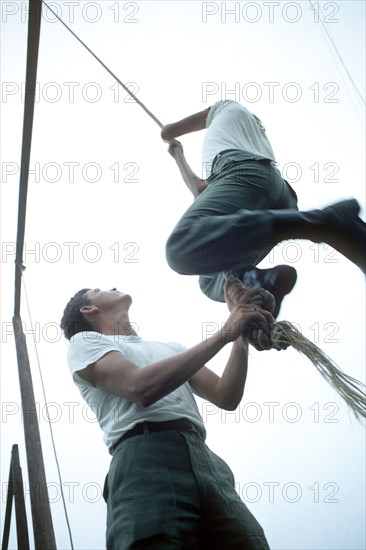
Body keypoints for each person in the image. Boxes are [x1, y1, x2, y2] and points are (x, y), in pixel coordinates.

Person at [61, 279, 274, 549]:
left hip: (205, 459)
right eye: (98, 289)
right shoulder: (84, 342)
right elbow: (140, 387)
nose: (112, 285)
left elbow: (225, 395)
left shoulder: (171, 348)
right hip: (144, 457)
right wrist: (227, 331)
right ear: (88, 309)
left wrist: (241, 333)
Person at [161, 100, 366, 317]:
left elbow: (168, 131)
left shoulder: (225, 107)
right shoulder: (250, 135)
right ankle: (254, 280)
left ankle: (327, 221)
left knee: (180, 249)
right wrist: (179, 156)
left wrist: (168, 138)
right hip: (275, 194)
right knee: (209, 280)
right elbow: (201, 188)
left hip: (242, 173)